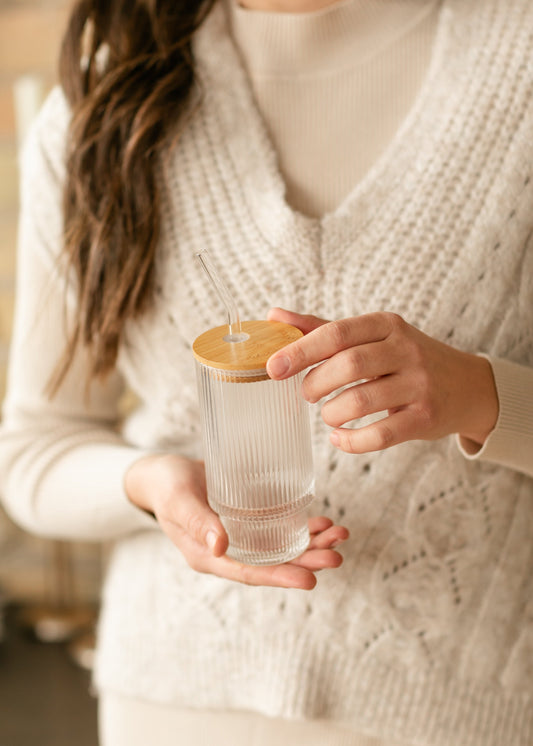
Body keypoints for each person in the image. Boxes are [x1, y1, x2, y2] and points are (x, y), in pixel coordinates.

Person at [1, 0, 532, 743]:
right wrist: (153, 486)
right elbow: (35, 451)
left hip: (465, 714)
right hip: (172, 703)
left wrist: (482, 397)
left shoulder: (520, 56)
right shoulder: (105, 98)